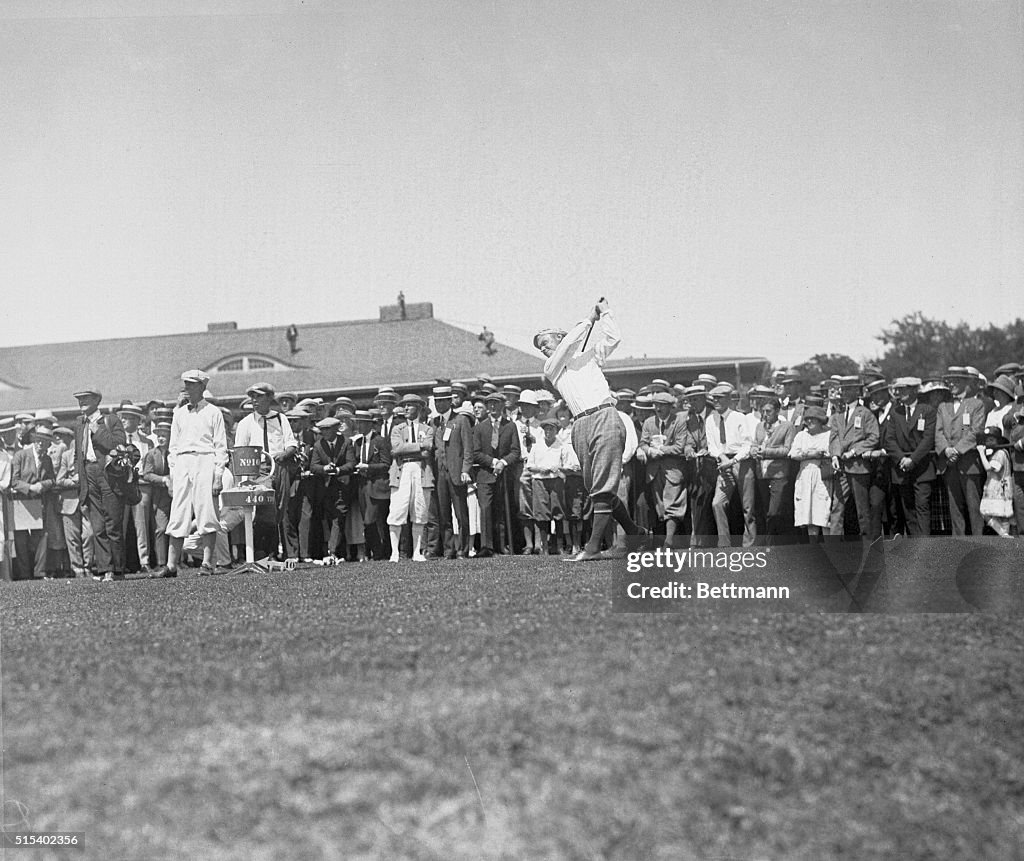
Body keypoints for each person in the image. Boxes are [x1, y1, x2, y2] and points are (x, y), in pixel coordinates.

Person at [534, 298, 640, 561]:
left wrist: (605, 314)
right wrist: (588, 319)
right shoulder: (552, 368)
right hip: (580, 424)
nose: (544, 349)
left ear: (559, 336)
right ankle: (636, 533)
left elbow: (614, 338)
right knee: (596, 488)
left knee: (602, 488)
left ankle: (592, 548)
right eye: (541, 347)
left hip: (604, 416)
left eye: (546, 342)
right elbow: (569, 343)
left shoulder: (589, 356)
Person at [162, 370, 227, 577]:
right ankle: (171, 565)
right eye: (186, 384)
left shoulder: (213, 412)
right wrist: (173, 475)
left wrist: (217, 475)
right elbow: (173, 447)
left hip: (205, 460)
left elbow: (220, 446)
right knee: (178, 512)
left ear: (202, 386)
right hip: (183, 462)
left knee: (206, 512)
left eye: (191, 384)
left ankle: (207, 563)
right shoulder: (179, 414)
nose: (187, 388)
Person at [233, 382, 298, 559]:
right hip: (259, 470)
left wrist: (285, 453)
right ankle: (263, 552)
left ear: (269, 398)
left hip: (281, 467)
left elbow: (291, 443)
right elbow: (240, 452)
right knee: (265, 510)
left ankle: (276, 553)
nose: (255, 400)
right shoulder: (246, 423)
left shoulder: (280, 418)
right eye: (252, 397)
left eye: (259, 396)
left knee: (280, 509)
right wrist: (244, 480)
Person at [73, 385, 127, 581]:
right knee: (97, 525)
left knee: (113, 523)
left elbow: (118, 446)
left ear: (97, 401)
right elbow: (78, 455)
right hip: (89, 473)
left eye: (86, 399)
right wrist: (81, 480)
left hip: (108, 474)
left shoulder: (110, 420)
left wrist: (97, 430)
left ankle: (117, 570)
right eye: (79, 399)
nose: (82, 402)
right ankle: (105, 569)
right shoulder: (79, 423)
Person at [935, 366, 987, 536]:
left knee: (974, 507)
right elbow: (939, 432)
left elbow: (976, 431)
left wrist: (957, 450)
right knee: (954, 507)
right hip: (949, 464)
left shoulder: (976, 404)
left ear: (966, 383)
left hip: (969, 464)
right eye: (950, 381)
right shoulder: (943, 406)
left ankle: (979, 544)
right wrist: (946, 450)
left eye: (956, 381)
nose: (952, 384)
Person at [883, 377, 937, 536]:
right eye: (898, 390)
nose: (900, 393)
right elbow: (889, 440)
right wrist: (901, 459)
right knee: (908, 510)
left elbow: (928, 440)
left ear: (914, 390)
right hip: (901, 469)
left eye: (904, 389)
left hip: (922, 468)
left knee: (922, 507)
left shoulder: (927, 410)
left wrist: (912, 460)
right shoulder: (895, 412)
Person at [827, 376, 879, 538]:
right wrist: (835, 456)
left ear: (857, 391)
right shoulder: (837, 414)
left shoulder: (865, 414)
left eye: (849, 389)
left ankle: (867, 546)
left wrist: (855, 450)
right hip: (841, 467)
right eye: (843, 389)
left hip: (858, 467)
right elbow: (834, 437)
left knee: (862, 510)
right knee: (837, 507)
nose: (845, 392)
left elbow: (873, 437)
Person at [471, 392, 522, 556]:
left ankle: (502, 545)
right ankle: (487, 546)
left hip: (504, 476)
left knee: (501, 509)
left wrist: (503, 462)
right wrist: (494, 462)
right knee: (486, 509)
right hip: (485, 474)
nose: (492, 407)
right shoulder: (480, 427)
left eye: (496, 404)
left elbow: (515, 451)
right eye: (490, 404)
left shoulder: (510, 426)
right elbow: (476, 452)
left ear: (502, 406)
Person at [706, 384, 756, 547]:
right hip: (723, 462)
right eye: (714, 399)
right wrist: (722, 457)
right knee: (717, 503)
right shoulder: (710, 419)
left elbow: (747, 445)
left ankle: (750, 545)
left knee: (748, 507)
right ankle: (724, 545)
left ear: (728, 399)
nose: (716, 401)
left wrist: (732, 461)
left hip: (741, 463)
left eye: (720, 398)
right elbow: (712, 446)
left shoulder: (739, 417)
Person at [522, 418, 580, 554]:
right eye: (546, 429)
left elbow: (568, 466)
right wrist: (539, 469)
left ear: (556, 431)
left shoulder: (561, 446)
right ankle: (545, 547)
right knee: (542, 513)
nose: (548, 432)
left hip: (556, 482)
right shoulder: (537, 446)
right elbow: (530, 466)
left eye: (551, 429)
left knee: (558, 512)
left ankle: (559, 546)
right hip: (540, 481)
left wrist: (557, 468)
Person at [386, 394, 432, 562]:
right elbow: (396, 448)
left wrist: (408, 449)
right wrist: (419, 446)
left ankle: (417, 552)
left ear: (418, 408)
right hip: (401, 470)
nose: (406, 408)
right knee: (398, 509)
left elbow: (428, 450)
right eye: (404, 405)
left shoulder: (426, 429)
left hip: (421, 470)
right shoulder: (398, 429)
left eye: (410, 405)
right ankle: (395, 552)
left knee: (419, 510)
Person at [639, 391, 688, 546]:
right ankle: (666, 540)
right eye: (656, 405)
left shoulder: (678, 422)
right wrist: (649, 451)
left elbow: (680, 447)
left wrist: (662, 449)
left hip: (673, 470)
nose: (658, 408)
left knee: (672, 505)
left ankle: (669, 540)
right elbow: (643, 443)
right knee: (660, 507)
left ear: (669, 407)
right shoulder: (648, 422)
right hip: (654, 471)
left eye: (661, 405)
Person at [432, 385, 474, 558]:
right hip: (440, 473)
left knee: (461, 513)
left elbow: (468, 449)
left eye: (442, 401)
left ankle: (463, 549)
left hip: (456, 472)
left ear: (450, 402)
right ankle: (448, 549)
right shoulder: (434, 423)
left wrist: (465, 470)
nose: (439, 404)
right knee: (444, 514)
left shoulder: (460, 420)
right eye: (436, 401)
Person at [10, 426, 57, 579]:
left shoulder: (47, 459)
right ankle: (25, 574)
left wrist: (42, 485)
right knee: (21, 539)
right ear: (33, 441)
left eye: (44, 442)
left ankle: (39, 572)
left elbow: (52, 480)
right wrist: (30, 487)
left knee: (41, 536)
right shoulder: (20, 456)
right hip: (21, 502)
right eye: (38, 440)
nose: (40, 444)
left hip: (39, 501)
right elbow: (14, 481)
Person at [309, 417, 358, 562]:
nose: (324, 432)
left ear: (336, 429)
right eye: (322, 430)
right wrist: (324, 468)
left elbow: (351, 464)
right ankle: (339, 552)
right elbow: (313, 466)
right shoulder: (318, 445)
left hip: (342, 486)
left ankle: (333, 551)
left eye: (327, 429)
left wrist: (337, 470)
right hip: (325, 488)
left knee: (339, 516)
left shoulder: (346, 442)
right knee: (332, 518)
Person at [750, 397, 796, 544]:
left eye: (768, 411)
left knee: (774, 512)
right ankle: (771, 545)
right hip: (762, 474)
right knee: (765, 512)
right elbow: (754, 444)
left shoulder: (787, 426)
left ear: (777, 411)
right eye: (762, 411)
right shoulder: (759, 426)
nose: (765, 414)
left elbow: (787, 450)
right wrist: (753, 451)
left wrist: (766, 452)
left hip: (779, 474)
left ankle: (773, 545)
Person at [789, 406, 833, 543]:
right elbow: (793, 453)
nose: (809, 422)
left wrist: (818, 454)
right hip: (805, 476)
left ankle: (831, 550)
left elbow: (830, 452)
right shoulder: (801, 435)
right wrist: (809, 454)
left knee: (824, 514)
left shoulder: (828, 434)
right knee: (810, 515)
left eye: (813, 419)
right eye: (807, 419)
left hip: (822, 475)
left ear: (820, 420)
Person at [141, 421, 172, 573]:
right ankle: (161, 562)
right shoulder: (151, 454)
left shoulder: (176, 452)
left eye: (164, 435)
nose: (161, 438)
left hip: (180, 494)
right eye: (158, 435)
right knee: (161, 528)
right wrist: (163, 479)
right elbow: (147, 474)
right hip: (161, 496)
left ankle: (178, 560)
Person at [977, 427, 1014, 537]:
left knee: (997, 513)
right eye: (987, 440)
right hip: (997, 488)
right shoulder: (996, 453)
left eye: (992, 440)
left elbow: (989, 467)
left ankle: (1004, 535)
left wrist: (981, 453)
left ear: (999, 441)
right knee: (996, 514)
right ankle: (1005, 535)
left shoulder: (1000, 454)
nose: (989, 443)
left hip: (1000, 489)